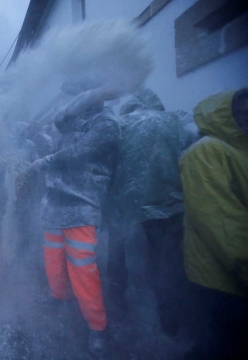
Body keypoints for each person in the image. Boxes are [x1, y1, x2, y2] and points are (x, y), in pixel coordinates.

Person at [32, 87, 120, 356]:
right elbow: (59, 123)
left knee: (83, 269)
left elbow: (81, 151)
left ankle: (97, 327)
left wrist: (43, 162)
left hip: (82, 204)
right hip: (55, 203)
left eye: (77, 96)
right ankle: (57, 295)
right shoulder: (72, 121)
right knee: (52, 258)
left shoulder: (106, 123)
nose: (70, 101)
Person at [106, 87, 197, 334]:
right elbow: (188, 148)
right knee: (164, 260)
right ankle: (170, 317)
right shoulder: (172, 121)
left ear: (130, 105)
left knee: (116, 251)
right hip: (167, 204)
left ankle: (116, 303)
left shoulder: (120, 125)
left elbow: (109, 162)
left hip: (125, 204)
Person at [179, 88, 248, 360]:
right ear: (223, 115)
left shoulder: (237, 150)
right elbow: (224, 226)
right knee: (224, 343)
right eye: (242, 113)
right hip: (220, 278)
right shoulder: (207, 152)